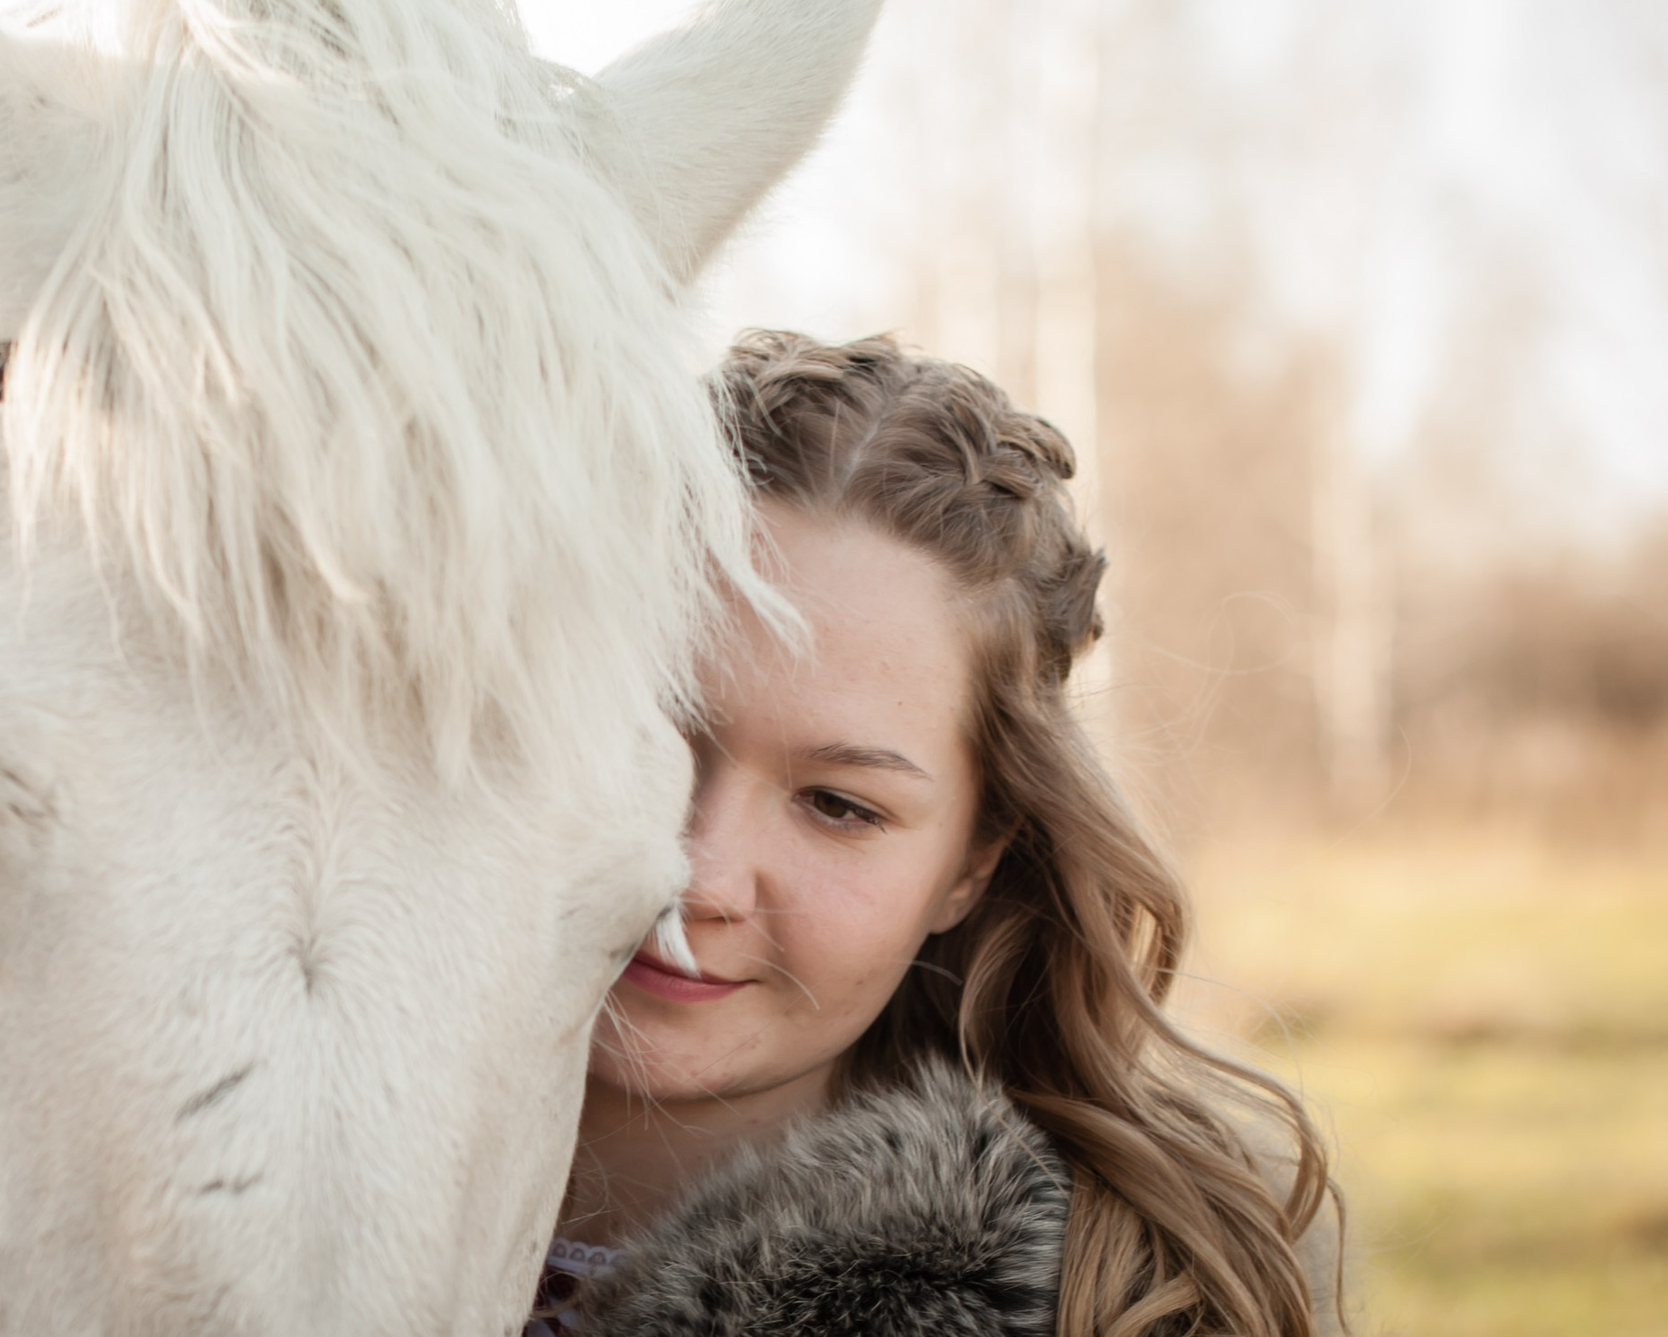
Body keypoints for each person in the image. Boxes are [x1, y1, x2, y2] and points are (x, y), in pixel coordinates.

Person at [533, 332, 1340, 1337]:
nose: (696, 874)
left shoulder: (1122, 1310)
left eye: (838, 805)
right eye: (641, 740)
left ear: (969, 865)